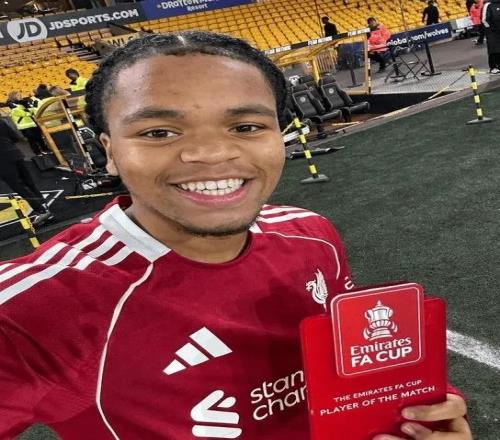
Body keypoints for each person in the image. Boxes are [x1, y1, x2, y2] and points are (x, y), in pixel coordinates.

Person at [0, 31, 472, 439]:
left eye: (246, 126)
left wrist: (419, 412)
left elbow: (353, 359)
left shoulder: (312, 234)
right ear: (109, 150)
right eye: (159, 132)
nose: (210, 153)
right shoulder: (39, 306)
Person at [0, 109, 53, 226]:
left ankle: (41, 211)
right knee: (28, 182)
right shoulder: (1, 121)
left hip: (3, 161)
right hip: (15, 154)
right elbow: (15, 137)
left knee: (19, 186)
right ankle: (43, 205)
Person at [6, 91, 50, 156]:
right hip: (25, 127)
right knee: (32, 140)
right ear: (13, 97)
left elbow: (32, 110)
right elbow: (27, 113)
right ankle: (37, 152)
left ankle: (45, 150)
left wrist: (30, 108)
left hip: (33, 124)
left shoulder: (23, 103)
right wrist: (29, 109)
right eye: (18, 95)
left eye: (20, 95)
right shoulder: (14, 107)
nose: (20, 96)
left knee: (39, 138)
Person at [483, 0, 500, 73]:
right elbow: (484, 20)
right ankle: (493, 67)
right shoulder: (488, 5)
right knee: (493, 49)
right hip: (492, 32)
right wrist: (490, 29)